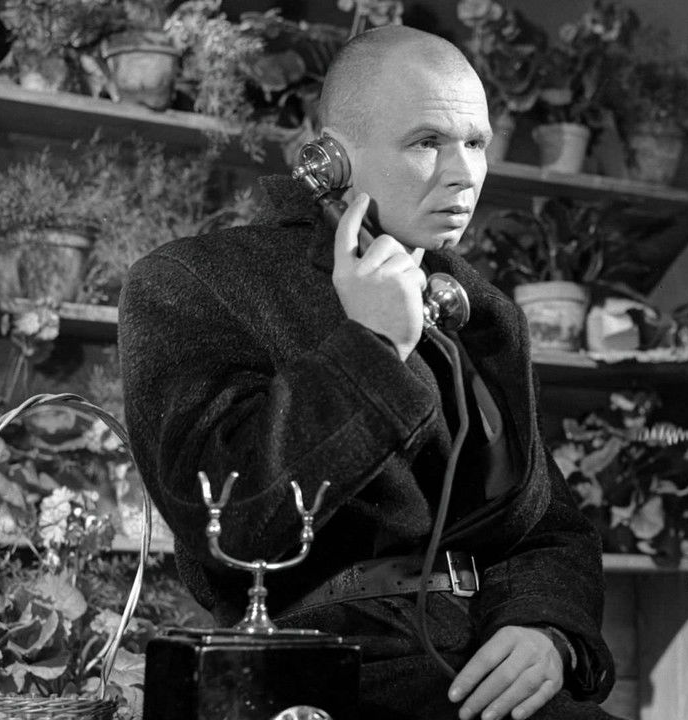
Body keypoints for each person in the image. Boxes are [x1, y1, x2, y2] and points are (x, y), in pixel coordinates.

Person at [119, 26, 621, 720]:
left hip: (482, 669)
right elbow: (229, 520)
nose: (465, 173)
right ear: (330, 158)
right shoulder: (197, 281)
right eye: (427, 142)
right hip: (320, 671)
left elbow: (548, 527)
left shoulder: (480, 311)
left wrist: (546, 630)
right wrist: (373, 347)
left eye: (476, 143)